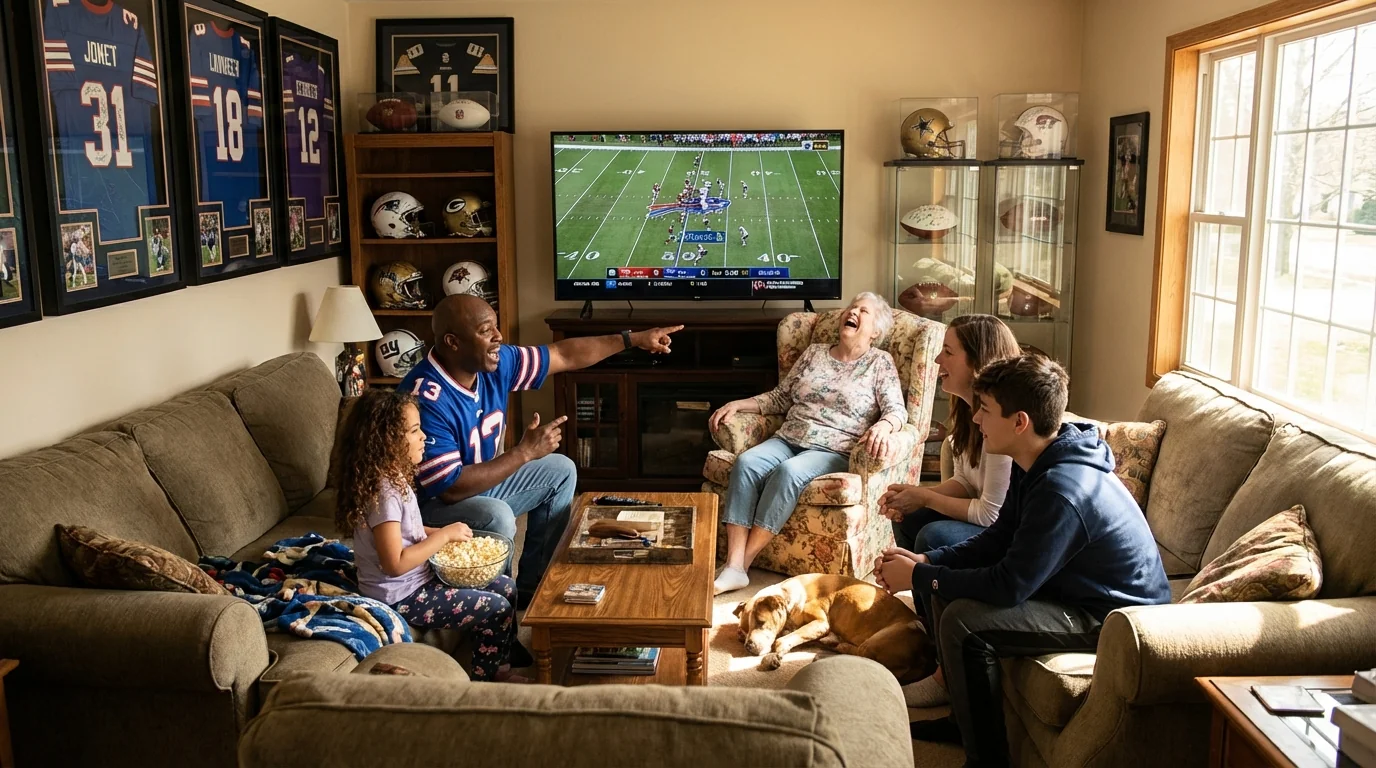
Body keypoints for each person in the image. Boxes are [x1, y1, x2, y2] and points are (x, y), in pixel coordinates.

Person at [876, 355, 1170, 767]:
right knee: (947, 591)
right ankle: (963, 724)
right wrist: (928, 559)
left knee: (964, 622)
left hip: (1113, 615)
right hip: (1073, 587)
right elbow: (999, 538)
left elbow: (1009, 585)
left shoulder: (1061, 490)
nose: (976, 419)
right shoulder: (1034, 460)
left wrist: (923, 576)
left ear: (1020, 422)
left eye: (986, 410)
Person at [400, 294, 681, 608]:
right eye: (485, 331)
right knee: (497, 516)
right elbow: (450, 489)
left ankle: (533, 589)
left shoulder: (490, 363)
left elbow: (562, 354)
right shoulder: (426, 397)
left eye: (496, 327)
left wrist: (633, 339)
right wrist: (523, 453)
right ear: (453, 342)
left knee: (560, 469)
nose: (499, 337)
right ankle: (496, 613)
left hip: (474, 485)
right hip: (428, 508)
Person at [709, 292, 907, 595]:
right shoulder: (814, 352)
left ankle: (741, 566)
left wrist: (884, 425)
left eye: (863, 311)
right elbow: (781, 397)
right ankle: (733, 564)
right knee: (746, 463)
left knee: (788, 473)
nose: (852, 312)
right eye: (852, 307)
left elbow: (897, 409)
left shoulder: (879, 363)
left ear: (876, 331)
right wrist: (740, 404)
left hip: (833, 448)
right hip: (789, 437)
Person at [877, 315, 1021, 708]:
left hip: (1005, 534)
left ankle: (946, 668)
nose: (938, 361)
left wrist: (926, 498)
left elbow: (991, 514)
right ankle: (931, 636)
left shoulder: (1005, 422)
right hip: (987, 520)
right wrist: (915, 495)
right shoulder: (969, 413)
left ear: (977, 363)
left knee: (933, 536)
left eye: (948, 352)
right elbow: (965, 482)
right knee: (911, 517)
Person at [335, 388, 527, 682]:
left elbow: (404, 528)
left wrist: (431, 531)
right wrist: (443, 537)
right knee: (497, 609)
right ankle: (485, 680)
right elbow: (394, 563)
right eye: (414, 431)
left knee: (504, 586)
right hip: (401, 594)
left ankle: (501, 661)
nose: (423, 436)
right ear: (387, 441)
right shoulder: (383, 493)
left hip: (416, 579)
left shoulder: (393, 477)